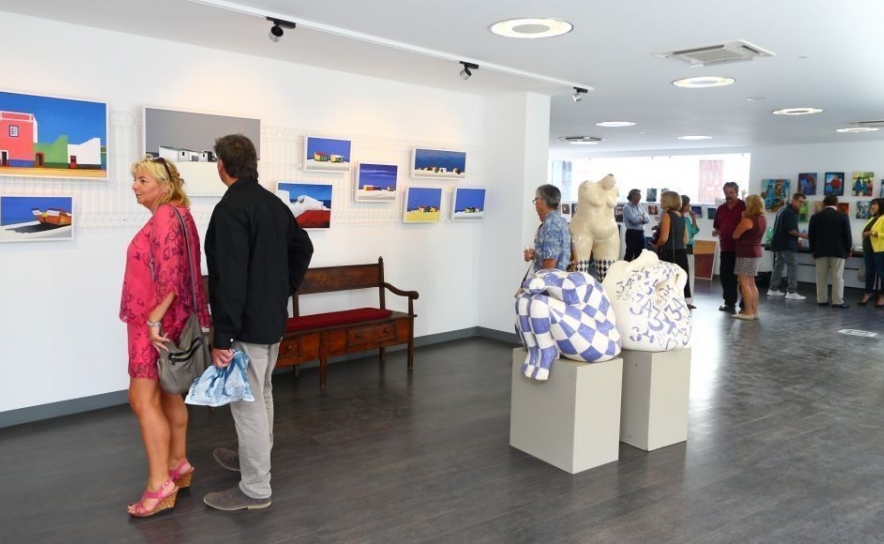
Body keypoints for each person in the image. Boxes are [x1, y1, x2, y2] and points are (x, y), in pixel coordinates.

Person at [203, 134, 314, 511]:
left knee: (246, 401)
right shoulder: (273, 204)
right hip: (271, 319)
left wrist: (222, 335)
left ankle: (254, 487)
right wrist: (282, 289)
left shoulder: (231, 208)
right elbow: (303, 247)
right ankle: (255, 459)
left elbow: (229, 277)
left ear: (222, 165)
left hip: (245, 326)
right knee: (262, 392)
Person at [119, 156, 211, 517]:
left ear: (164, 185)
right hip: (167, 321)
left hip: (153, 324)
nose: (135, 186)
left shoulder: (164, 216)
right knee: (170, 393)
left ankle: (159, 485)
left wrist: (154, 321)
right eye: (135, 179)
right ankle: (178, 463)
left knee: (141, 400)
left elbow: (171, 277)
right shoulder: (180, 214)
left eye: (143, 180)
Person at [807, 194, 852, 308]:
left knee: (820, 276)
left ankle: (822, 300)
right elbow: (847, 235)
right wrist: (848, 249)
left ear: (824, 203)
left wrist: (813, 250)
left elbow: (812, 236)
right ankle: (837, 301)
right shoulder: (843, 216)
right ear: (836, 204)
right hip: (838, 251)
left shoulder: (815, 217)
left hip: (820, 250)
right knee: (837, 277)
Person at [712, 182, 746, 313]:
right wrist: (716, 232)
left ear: (737, 193)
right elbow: (717, 226)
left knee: (743, 278)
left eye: (731, 192)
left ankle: (745, 305)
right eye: (726, 192)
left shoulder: (744, 206)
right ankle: (729, 302)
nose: (728, 195)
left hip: (741, 248)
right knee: (726, 277)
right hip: (726, 247)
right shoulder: (721, 209)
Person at [732, 195, 767, 320]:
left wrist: (743, 218)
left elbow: (735, 235)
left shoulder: (748, 220)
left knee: (743, 282)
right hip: (756, 252)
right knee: (751, 283)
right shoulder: (762, 218)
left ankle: (748, 311)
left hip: (745, 253)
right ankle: (754, 311)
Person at [768, 193, 808, 300]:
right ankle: (791, 291)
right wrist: (803, 235)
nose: (801, 204)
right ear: (793, 200)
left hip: (778, 242)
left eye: (803, 203)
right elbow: (790, 230)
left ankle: (773, 288)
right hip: (787, 244)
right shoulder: (789, 212)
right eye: (800, 202)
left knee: (778, 266)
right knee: (793, 266)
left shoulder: (781, 209)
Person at [651, 191, 690, 302]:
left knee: (666, 281)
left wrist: (656, 245)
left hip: (669, 253)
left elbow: (664, 238)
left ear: (668, 201)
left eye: (662, 200)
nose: (660, 202)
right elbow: (684, 239)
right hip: (680, 252)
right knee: (679, 280)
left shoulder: (667, 215)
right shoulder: (681, 216)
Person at [524, 184, 571, 271]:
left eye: (536, 200)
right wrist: (536, 255)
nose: (535, 205)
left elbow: (550, 262)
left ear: (541, 201)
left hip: (550, 279)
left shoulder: (550, 224)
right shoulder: (562, 221)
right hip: (560, 277)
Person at [859, 198, 884, 306]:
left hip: (880, 250)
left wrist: (872, 233)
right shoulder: (872, 218)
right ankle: (868, 293)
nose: (872, 206)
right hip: (868, 250)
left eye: (875, 204)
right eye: (872, 204)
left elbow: (876, 233)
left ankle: (882, 296)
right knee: (869, 273)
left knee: (882, 273)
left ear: (881, 205)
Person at [681, 195, 700, 309]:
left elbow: (693, 232)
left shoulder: (687, 219)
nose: (690, 206)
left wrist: (693, 218)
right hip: (682, 248)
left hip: (689, 247)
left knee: (690, 274)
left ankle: (688, 300)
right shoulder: (678, 218)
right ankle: (682, 299)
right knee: (683, 274)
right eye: (688, 204)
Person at [623, 188, 649, 261]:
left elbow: (648, 219)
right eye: (638, 194)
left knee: (641, 255)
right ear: (632, 195)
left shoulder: (640, 206)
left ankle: (638, 268)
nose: (640, 196)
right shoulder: (627, 207)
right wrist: (642, 218)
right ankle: (625, 268)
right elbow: (634, 220)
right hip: (632, 233)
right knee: (629, 254)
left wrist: (639, 218)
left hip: (641, 233)